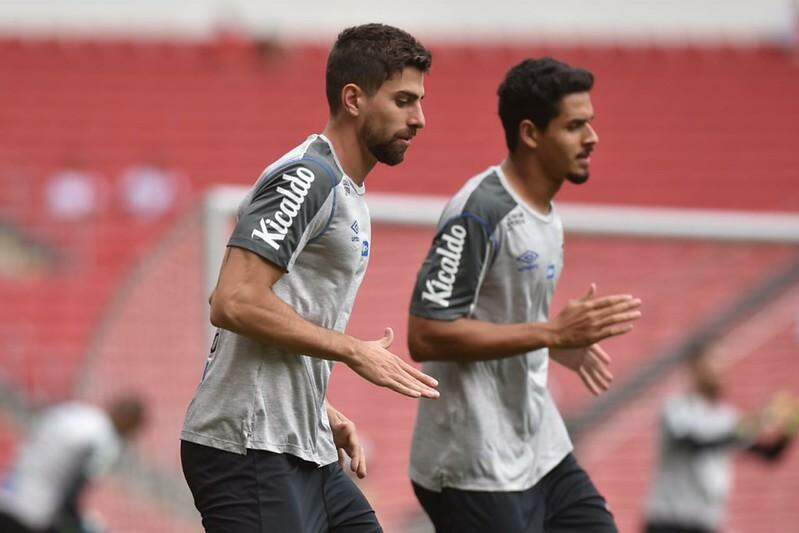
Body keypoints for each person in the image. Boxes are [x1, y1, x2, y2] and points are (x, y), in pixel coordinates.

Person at [180, 23, 438, 533]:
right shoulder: (308, 177)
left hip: (303, 443)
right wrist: (351, 350)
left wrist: (319, 403)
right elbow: (233, 300)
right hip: (247, 447)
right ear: (354, 99)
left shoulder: (348, 191)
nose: (420, 119)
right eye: (404, 100)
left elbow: (268, 307)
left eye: (420, 101)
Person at [406, 57, 643, 533]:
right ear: (531, 133)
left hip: (539, 447)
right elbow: (427, 333)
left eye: (590, 124)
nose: (592, 138)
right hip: (474, 462)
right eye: (575, 126)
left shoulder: (547, 215)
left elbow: (503, 319)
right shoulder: (480, 211)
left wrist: (555, 343)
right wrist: (550, 331)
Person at [643, 351, 799, 533]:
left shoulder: (727, 417)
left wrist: (788, 433)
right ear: (695, 370)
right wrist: (757, 420)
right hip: (668, 521)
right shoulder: (677, 408)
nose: (719, 371)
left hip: (705, 522)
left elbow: (769, 455)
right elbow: (698, 442)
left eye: (721, 364)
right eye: (712, 365)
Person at [0, 396, 147, 533]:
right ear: (130, 424)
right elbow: (71, 496)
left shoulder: (75, 413)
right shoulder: (105, 441)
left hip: (8, 496)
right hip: (34, 515)